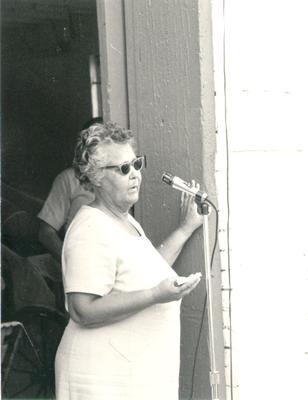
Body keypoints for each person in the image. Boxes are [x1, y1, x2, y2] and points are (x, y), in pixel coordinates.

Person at [54, 122, 203, 400]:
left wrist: (186, 228)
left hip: (128, 376)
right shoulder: (89, 228)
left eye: (136, 164)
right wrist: (156, 295)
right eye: (123, 169)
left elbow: (147, 270)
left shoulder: (123, 219)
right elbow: (82, 309)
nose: (135, 174)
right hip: (100, 381)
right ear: (96, 176)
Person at [37, 118, 103, 261]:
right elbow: (46, 232)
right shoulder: (69, 178)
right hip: (81, 262)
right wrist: (69, 262)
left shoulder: (123, 177)